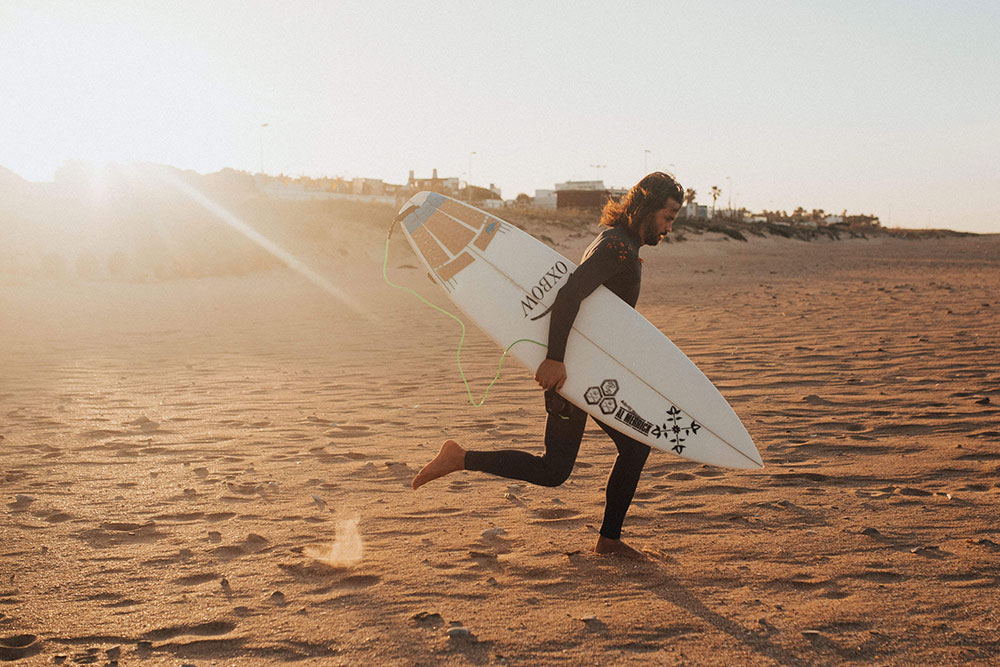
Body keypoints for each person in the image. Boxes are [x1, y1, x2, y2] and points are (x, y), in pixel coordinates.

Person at [411, 172, 684, 559]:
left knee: (565, 466)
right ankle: (460, 459)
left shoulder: (620, 245)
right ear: (647, 207)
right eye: (668, 216)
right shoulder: (617, 248)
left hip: (586, 370)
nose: (670, 227)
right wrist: (555, 359)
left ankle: (608, 539)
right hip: (572, 370)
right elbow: (569, 294)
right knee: (570, 465)